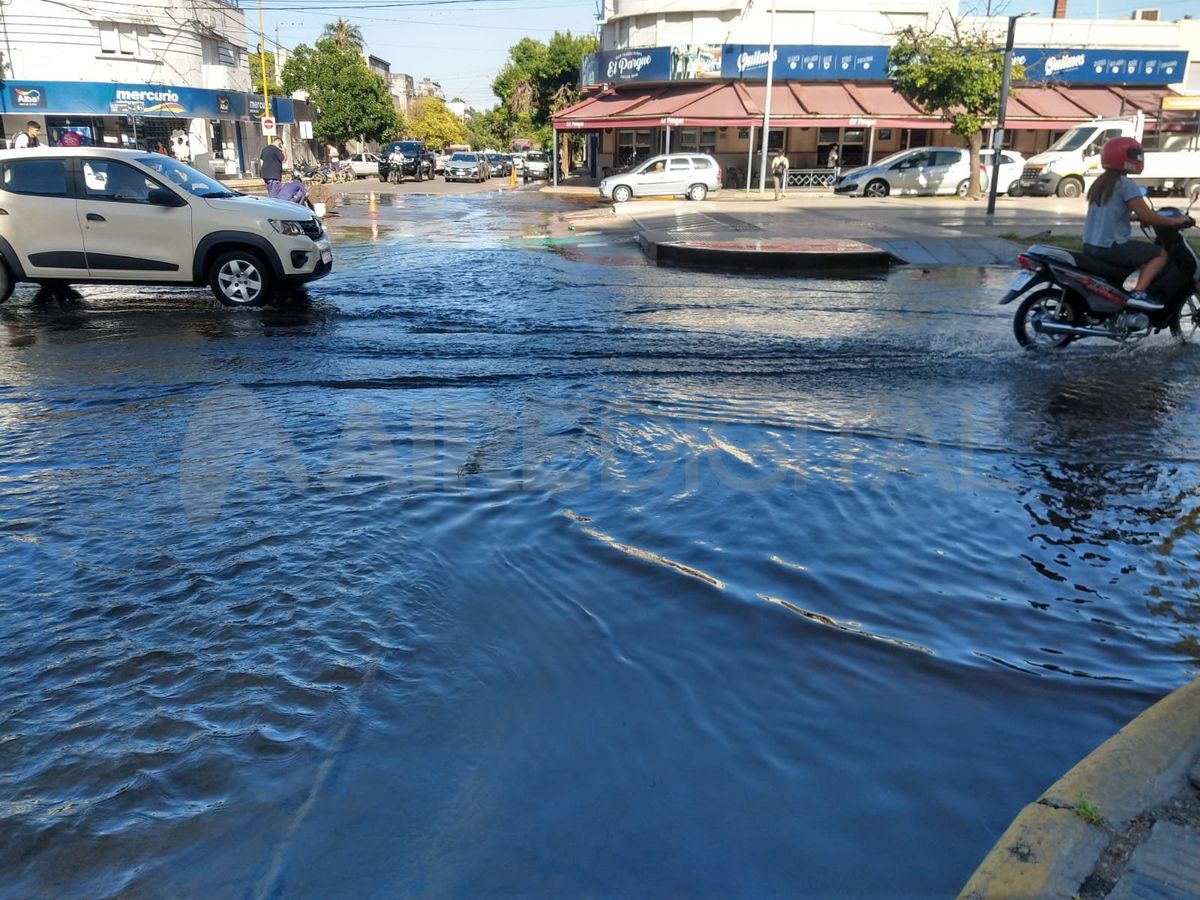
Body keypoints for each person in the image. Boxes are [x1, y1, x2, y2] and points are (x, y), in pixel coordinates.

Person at [1083, 137, 1194, 311]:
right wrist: (1175, 221)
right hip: (1111, 246)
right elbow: (1148, 216)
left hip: (1091, 244)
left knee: (1143, 255)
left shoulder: (1101, 183)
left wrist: (1134, 218)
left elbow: (1111, 214)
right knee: (1160, 254)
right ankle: (1139, 293)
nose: (1139, 159)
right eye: (1136, 155)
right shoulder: (1126, 184)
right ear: (1125, 158)